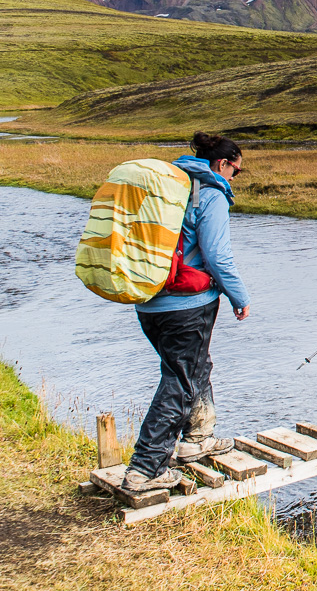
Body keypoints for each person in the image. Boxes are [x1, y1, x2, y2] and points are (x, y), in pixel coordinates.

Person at [122, 132, 250, 493]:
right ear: (222, 164)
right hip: (188, 304)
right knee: (180, 380)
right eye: (235, 171)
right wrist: (239, 296)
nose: (233, 177)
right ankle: (145, 470)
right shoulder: (209, 194)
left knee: (193, 367)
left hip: (148, 299)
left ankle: (198, 437)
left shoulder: (167, 186)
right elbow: (217, 255)